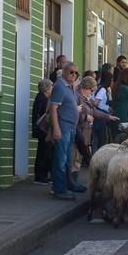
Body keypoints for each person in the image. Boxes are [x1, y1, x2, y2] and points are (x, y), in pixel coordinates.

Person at [49, 62, 80, 200]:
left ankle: (68, 184)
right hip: (63, 127)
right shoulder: (60, 86)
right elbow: (53, 108)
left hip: (71, 127)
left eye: (76, 73)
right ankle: (59, 189)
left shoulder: (70, 87)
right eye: (71, 72)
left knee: (68, 159)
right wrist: (56, 128)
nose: (74, 75)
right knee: (61, 159)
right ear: (65, 72)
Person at [76, 77, 118, 168]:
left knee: (78, 158)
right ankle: (70, 180)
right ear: (86, 88)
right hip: (79, 131)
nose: (91, 93)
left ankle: (73, 179)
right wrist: (86, 117)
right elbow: (73, 112)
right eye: (91, 90)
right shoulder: (78, 97)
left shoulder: (88, 98)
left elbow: (94, 112)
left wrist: (108, 117)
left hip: (85, 131)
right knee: (75, 157)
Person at [32, 79, 53, 185]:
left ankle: (42, 175)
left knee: (43, 152)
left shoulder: (41, 97)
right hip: (42, 129)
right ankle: (40, 176)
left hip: (40, 129)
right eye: (51, 86)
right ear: (47, 88)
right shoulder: (43, 99)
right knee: (43, 153)